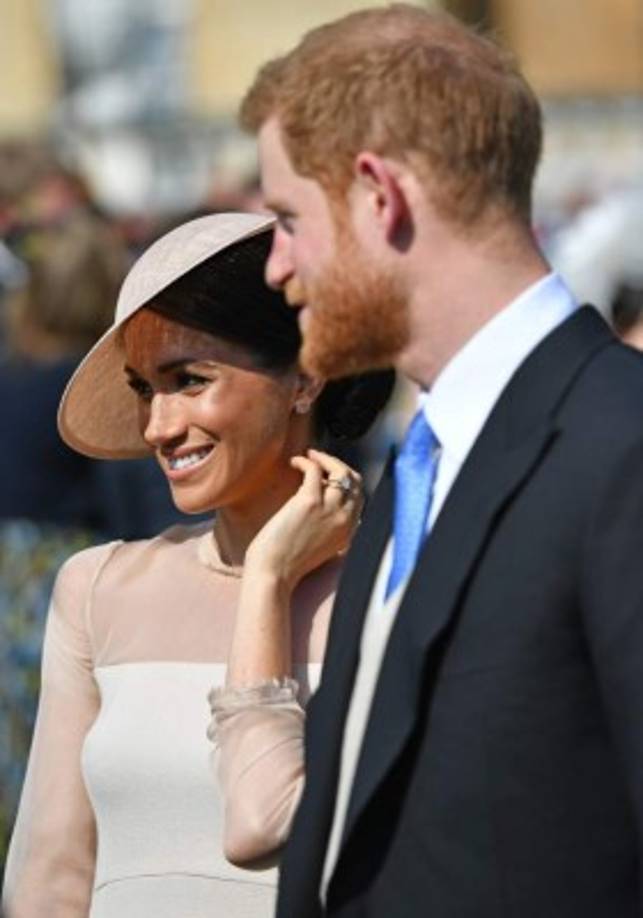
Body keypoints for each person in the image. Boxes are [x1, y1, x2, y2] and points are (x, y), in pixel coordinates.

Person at [241, 6, 643, 917]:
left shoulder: (621, 449)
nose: (275, 265)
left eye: (287, 218)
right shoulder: (422, 466)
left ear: (379, 196)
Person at [2, 211, 394, 917]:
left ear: (304, 378)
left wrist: (268, 576)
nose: (158, 426)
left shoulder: (398, 590)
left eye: (189, 380)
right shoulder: (98, 590)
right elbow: (51, 877)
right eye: (145, 388)